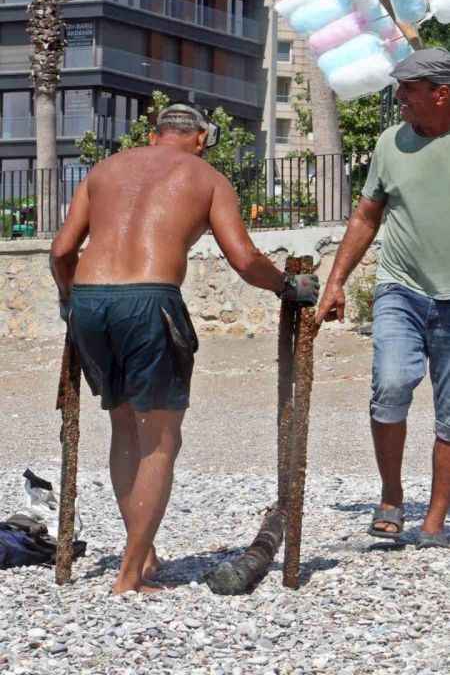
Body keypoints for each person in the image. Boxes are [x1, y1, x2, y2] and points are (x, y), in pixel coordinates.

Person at [50, 103, 319, 594]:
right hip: (149, 300)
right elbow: (243, 258)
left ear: (156, 135)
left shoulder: (105, 170)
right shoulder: (206, 176)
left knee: (123, 424)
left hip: (90, 299)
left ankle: (142, 548)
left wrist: (70, 302)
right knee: (160, 437)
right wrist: (286, 286)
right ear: (199, 138)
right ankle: (130, 576)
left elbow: (62, 251)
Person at [316, 48, 450, 548]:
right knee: (390, 388)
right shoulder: (389, 143)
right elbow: (366, 217)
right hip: (401, 289)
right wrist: (337, 282)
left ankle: (435, 520)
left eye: (408, 90)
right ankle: (391, 495)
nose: (398, 99)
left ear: (441, 94)